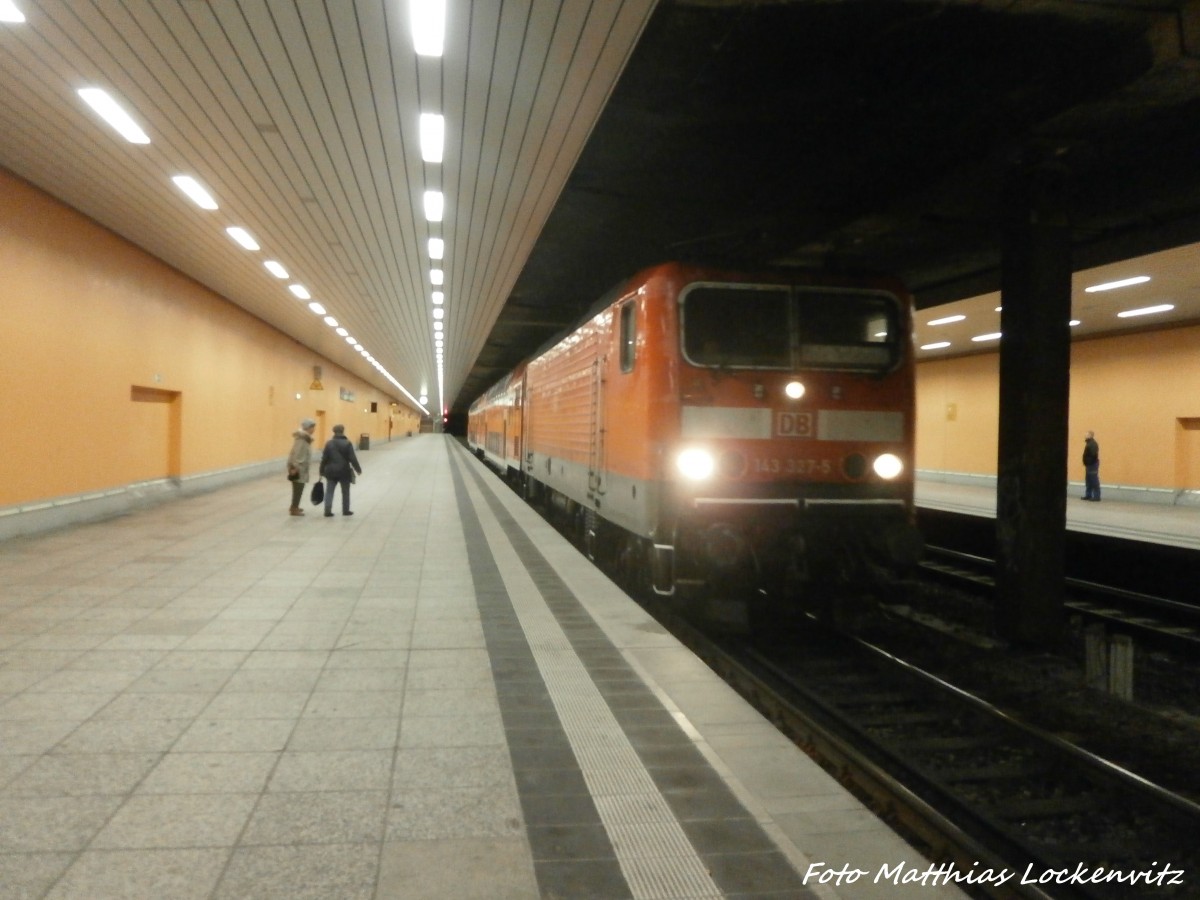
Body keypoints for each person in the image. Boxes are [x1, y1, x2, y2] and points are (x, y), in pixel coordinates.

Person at [319, 424, 363, 517]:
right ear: (343, 431)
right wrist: (358, 469)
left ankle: (327, 510)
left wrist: (321, 470)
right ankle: (346, 510)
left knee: (329, 491)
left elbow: (324, 458)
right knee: (345, 491)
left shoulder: (329, 443)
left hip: (330, 471)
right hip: (344, 471)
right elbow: (352, 458)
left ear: (334, 432)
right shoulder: (347, 443)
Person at [286, 418, 317, 516]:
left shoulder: (304, 438)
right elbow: (297, 453)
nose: (314, 429)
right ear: (308, 428)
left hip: (300, 467)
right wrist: (295, 467)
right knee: (298, 488)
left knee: (299, 488)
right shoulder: (302, 439)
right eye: (312, 427)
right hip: (299, 468)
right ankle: (294, 508)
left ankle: (295, 506)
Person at [1082, 430, 1101, 501]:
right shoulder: (1089, 443)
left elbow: (1093, 455)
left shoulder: (1092, 444)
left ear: (1090, 435)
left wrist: (1089, 462)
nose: (1085, 435)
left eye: (1086, 434)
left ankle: (1096, 496)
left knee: (1094, 480)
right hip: (1089, 465)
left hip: (1092, 465)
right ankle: (1088, 495)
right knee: (1088, 481)